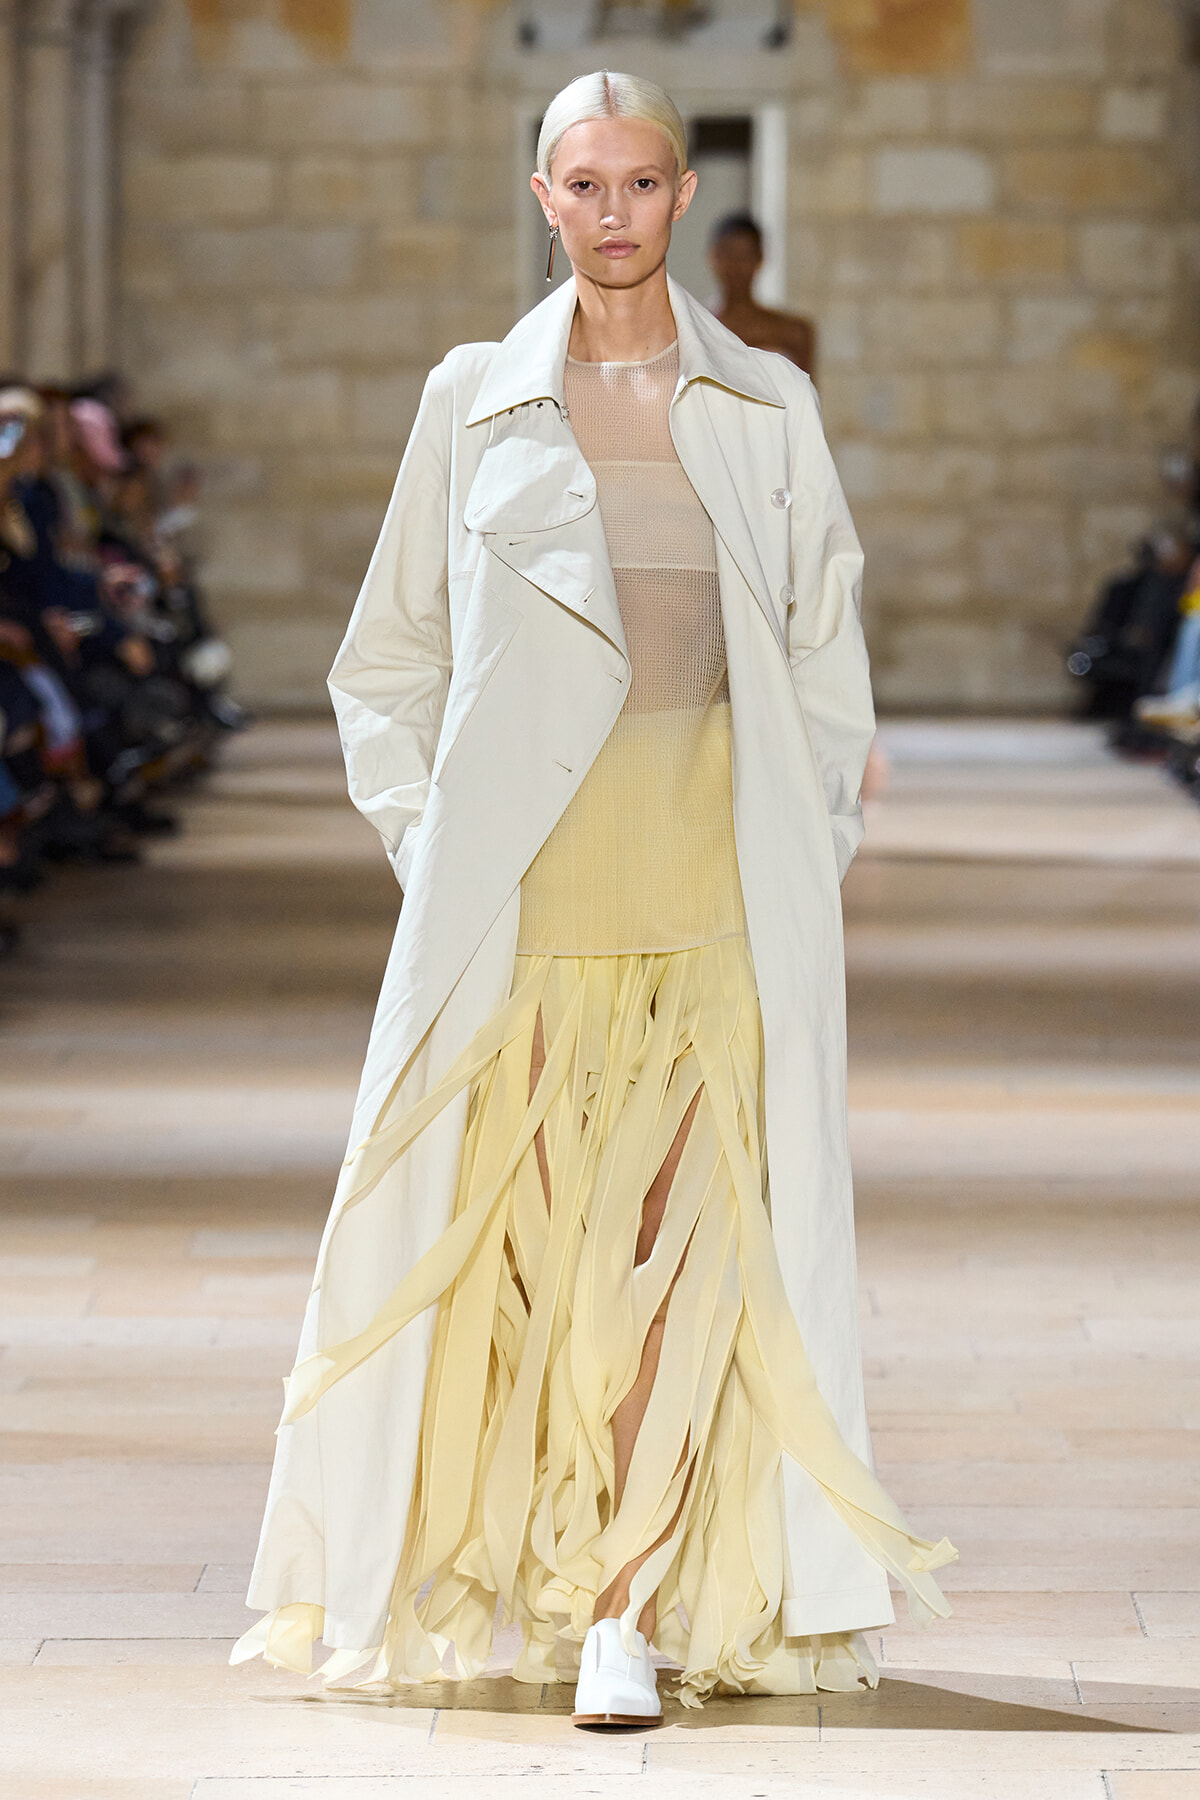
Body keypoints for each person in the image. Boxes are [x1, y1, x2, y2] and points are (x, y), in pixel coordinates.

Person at [235, 70, 953, 1727]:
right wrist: (439, 849)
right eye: (584, 182)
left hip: (713, 875)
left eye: (641, 181)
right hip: (532, 893)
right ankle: (559, 1583)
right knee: (540, 1248)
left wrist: (809, 841)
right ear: (543, 197)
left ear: (683, 196)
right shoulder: (471, 400)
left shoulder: (766, 401)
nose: (614, 210)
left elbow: (824, 655)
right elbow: (386, 660)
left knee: (676, 1248)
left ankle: (625, 1608)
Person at [708, 210, 816, 377]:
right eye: (729, 255)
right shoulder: (697, 326)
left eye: (744, 256)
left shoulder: (792, 332)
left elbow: (807, 390)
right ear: (714, 257)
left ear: (759, 258)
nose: (736, 266)